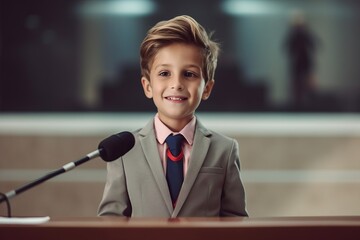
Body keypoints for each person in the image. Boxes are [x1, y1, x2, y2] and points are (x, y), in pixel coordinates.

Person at [98, 15, 248, 217]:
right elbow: (111, 220)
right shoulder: (124, 152)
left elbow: (235, 221)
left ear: (207, 88)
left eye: (189, 74)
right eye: (164, 73)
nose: (176, 84)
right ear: (148, 86)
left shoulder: (225, 149)